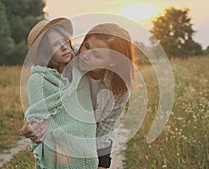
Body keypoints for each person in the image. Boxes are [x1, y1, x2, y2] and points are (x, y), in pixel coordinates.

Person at [22, 22, 135, 169]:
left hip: (91, 143)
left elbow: (104, 130)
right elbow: (48, 97)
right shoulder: (70, 62)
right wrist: (30, 122)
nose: (85, 55)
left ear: (112, 61)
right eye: (86, 46)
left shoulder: (120, 90)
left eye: (96, 54)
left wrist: (101, 162)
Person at [23, 17, 98, 169]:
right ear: (45, 52)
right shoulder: (38, 80)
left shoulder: (80, 72)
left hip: (86, 150)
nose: (64, 47)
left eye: (65, 41)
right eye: (56, 44)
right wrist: (32, 126)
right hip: (59, 154)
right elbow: (38, 115)